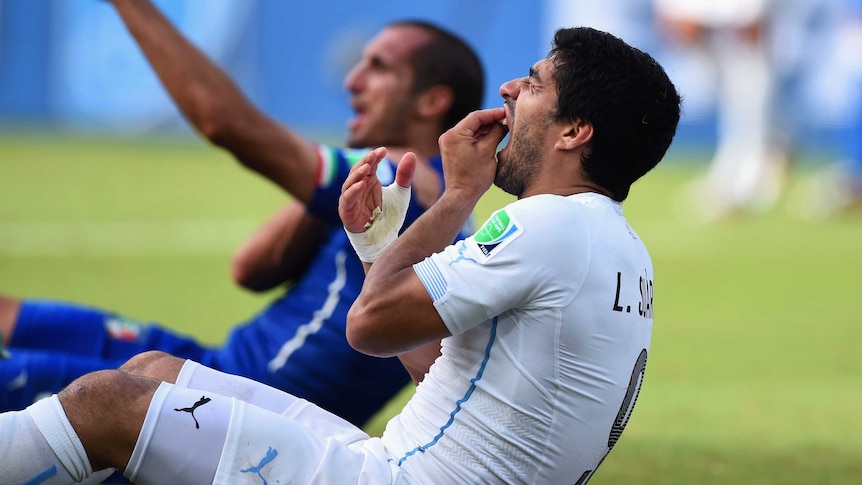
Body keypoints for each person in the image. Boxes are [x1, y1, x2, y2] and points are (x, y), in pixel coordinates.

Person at [0, 26, 680, 484]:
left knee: (107, 400)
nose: (508, 91)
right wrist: (376, 242)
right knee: (154, 372)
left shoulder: (546, 227)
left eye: (533, 83)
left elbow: (368, 325)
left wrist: (457, 195)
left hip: (397, 476)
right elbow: (438, 369)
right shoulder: (617, 245)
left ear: (575, 131)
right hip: (395, 458)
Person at [0, 0, 484, 428]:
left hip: (230, 408)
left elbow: (225, 122)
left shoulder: (406, 181)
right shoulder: (394, 194)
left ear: (431, 101)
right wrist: (327, 197)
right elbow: (250, 268)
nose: (352, 81)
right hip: (207, 364)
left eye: (378, 68)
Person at [654, 0, 788, 219]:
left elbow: (752, 26)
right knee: (732, 91)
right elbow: (681, 25)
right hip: (712, 25)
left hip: (743, 23)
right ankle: (747, 167)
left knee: (751, 78)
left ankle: (751, 174)